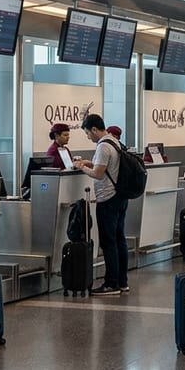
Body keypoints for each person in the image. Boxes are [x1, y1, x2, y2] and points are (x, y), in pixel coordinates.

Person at [75, 113, 130, 296]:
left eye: (87, 133)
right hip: (120, 197)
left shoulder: (103, 146)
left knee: (108, 242)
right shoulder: (114, 142)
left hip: (107, 199)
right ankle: (122, 282)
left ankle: (110, 284)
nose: (88, 137)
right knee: (120, 239)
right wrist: (90, 162)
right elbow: (107, 166)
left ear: (94, 129)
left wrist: (82, 167)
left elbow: (99, 174)